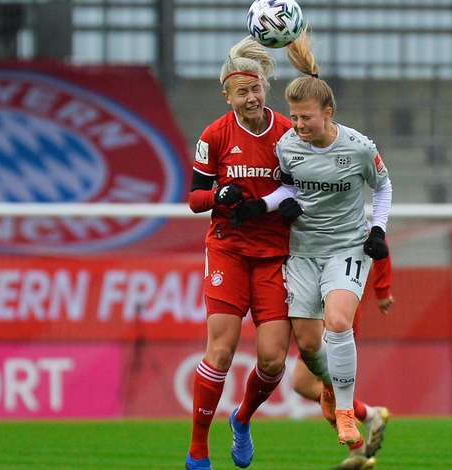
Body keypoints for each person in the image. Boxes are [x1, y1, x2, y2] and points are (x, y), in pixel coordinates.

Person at [235, 30, 393, 449]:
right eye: (294, 115)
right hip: (302, 252)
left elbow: (384, 186)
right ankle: (334, 389)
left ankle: (345, 412)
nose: (298, 124)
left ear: (329, 112)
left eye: (306, 117)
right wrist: (268, 206)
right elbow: (288, 189)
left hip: (347, 247)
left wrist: (378, 229)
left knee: (339, 322)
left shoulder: (358, 147)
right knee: (307, 345)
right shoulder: (288, 146)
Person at [184, 36, 294, 470]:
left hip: (273, 254)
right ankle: (197, 449)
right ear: (227, 95)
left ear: (266, 86)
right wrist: (217, 195)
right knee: (222, 349)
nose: (251, 97)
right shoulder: (214, 134)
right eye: (242, 91)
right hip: (228, 250)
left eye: (256, 88)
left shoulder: (287, 133)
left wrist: (290, 202)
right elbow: (193, 198)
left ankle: (243, 418)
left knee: (271, 360)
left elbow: (303, 187)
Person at [290, 249, 393, 469]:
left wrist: (383, 288)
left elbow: (377, 235)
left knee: (325, 386)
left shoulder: (344, 218)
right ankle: (369, 416)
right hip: (315, 297)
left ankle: (358, 448)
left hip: (337, 300)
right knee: (302, 383)